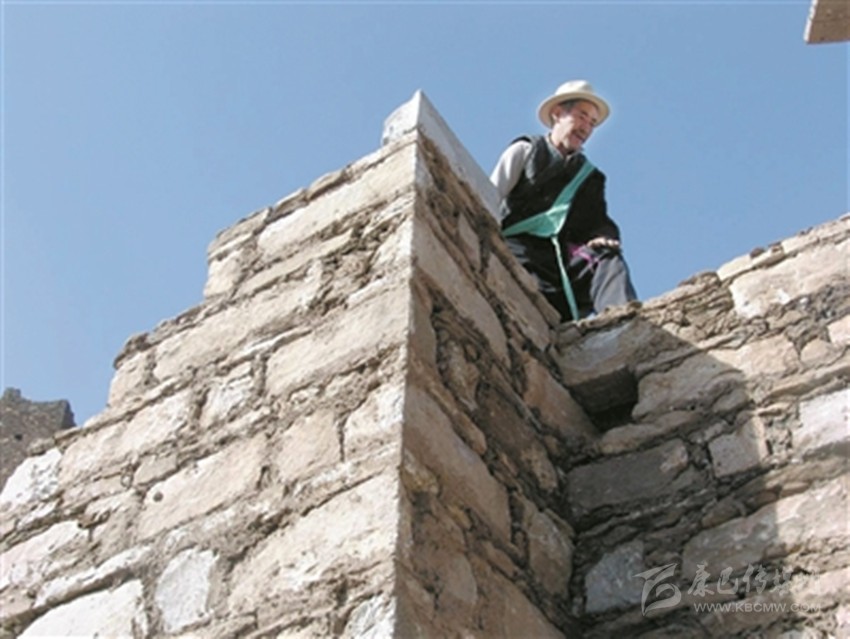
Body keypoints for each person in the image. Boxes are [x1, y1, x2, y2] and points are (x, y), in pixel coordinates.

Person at [490, 80, 637, 321]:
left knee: (605, 257)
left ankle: (623, 321)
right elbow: (490, 197)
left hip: (562, 268)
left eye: (592, 123)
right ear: (558, 113)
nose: (586, 128)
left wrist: (602, 237)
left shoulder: (589, 178)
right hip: (520, 253)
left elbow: (597, 221)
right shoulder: (526, 151)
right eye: (582, 116)